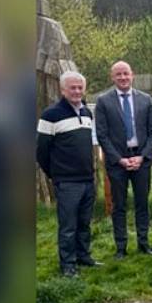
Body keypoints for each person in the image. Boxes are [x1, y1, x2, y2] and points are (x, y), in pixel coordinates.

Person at [37, 71, 101, 276]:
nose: (76, 91)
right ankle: (68, 264)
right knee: (68, 226)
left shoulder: (86, 113)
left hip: (87, 178)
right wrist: (55, 173)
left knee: (84, 222)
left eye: (80, 87)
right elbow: (41, 152)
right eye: (72, 88)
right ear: (62, 90)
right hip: (66, 181)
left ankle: (84, 256)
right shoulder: (50, 115)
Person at [95, 61, 152, 258]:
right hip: (117, 163)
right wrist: (118, 159)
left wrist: (143, 156)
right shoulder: (103, 101)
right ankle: (121, 247)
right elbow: (102, 135)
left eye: (126, 74)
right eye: (118, 74)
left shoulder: (146, 100)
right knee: (119, 205)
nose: (123, 78)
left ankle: (144, 243)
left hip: (141, 159)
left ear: (133, 75)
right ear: (112, 77)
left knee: (142, 203)